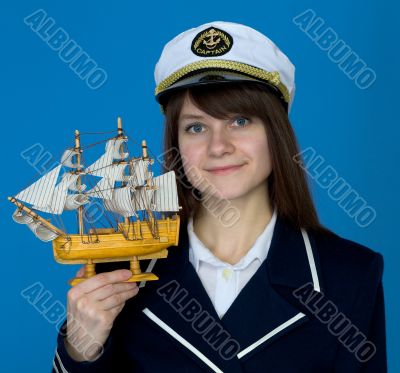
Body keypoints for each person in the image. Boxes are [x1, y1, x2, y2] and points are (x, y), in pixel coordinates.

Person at [52, 21, 387, 373]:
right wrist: (80, 352)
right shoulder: (117, 275)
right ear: (176, 143)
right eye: (196, 127)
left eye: (240, 121)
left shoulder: (350, 275)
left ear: (276, 131)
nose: (218, 147)